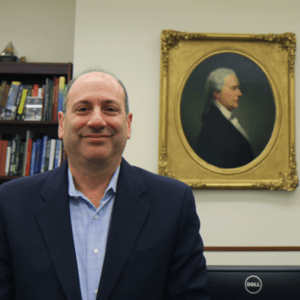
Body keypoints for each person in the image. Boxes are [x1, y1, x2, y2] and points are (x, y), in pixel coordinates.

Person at [0, 70, 210, 300]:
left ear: (128, 124)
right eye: (83, 109)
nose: (97, 120)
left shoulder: (173, 202)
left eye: (110, 109)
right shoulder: (10, 203)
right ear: (61, 124)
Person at [195, 68, 254, 168]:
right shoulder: (213, 130)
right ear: (217, 94)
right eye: (234, 88)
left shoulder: (219, 121)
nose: (239, 93)